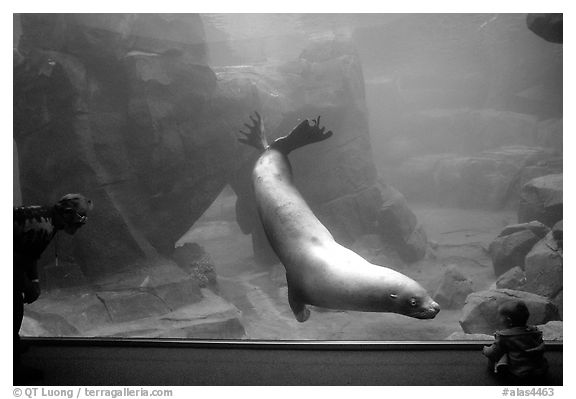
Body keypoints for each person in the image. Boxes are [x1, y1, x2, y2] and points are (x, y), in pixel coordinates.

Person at [13, 193, 93, 384]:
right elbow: (12, 260)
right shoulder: (43, 227)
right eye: (81, 216)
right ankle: (12, 369)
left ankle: (12, 346)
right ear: (66, 212)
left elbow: (29, 254)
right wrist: (27, 285)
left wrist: (34, 281)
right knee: (12, 310)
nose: (83, 222)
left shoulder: (46, 220)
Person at [482, 300, 549, 384]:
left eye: (500, 317)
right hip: (541, 371)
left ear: (508, 320)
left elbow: (493, 352)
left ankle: (498, 376)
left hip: (519, 374)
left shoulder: (504, 336)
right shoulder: (535, 331)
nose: (498, 319)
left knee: (498, 356)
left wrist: (485, 350)